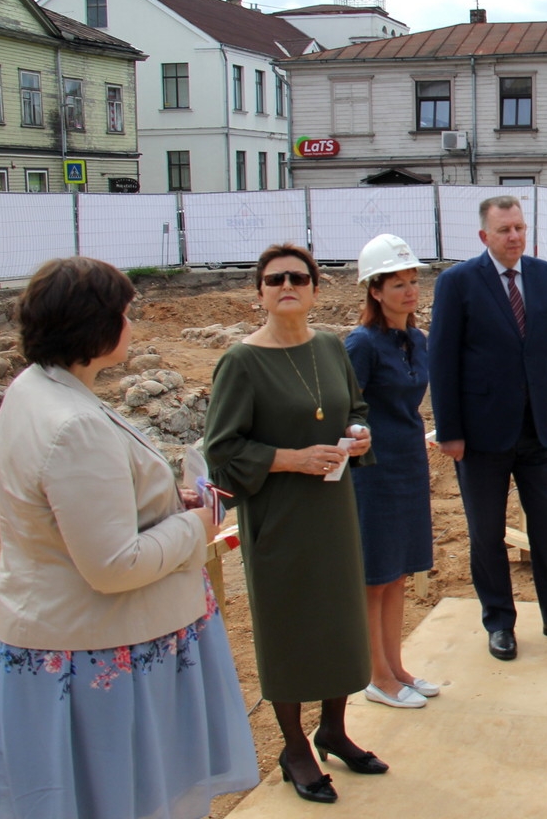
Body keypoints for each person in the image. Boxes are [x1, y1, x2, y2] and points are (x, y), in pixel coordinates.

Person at [0, 257, 258, 819]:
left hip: (63, 636)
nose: (133, 325)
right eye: (125, 314)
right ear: (95, 325)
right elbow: (112, 565)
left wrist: (161, 503)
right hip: (101, 649)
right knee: (127, 800)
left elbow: (79, 511)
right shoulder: (74, 424)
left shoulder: (34, 390)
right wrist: (197, 522)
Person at [205, 243, 380, 805]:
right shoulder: (240, 361)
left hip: (332, 510)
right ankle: (294, 747)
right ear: (259, 291)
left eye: (298, 278)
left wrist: (358, 435)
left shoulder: (330, 347)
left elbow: (353, 407)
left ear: (314, 289)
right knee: (289, 629)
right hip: (279, 516)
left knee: (337, 621)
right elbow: (223, 451)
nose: (287, 285)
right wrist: (291, 458)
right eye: (275, 278)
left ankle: (333, 729)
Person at [429, 195, 547, 663]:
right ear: (485, 236)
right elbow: (441, 362)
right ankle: (500, 622)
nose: (515, 237)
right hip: (481, 436)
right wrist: (450, 431)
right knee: (487, 533)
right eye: (505, 230)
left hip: (539, 430)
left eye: (520, 228)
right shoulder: (457, 283)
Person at [345, 234, 437, 709]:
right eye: (395, 282)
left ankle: (397, 666)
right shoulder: (361, 343)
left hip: (408, 463)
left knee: (399, 571)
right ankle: (377, 676)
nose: (408, 289)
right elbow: (348, 407)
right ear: (374, 291)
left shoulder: (415, 339)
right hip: (374, 471)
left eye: (412, 280)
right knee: (375, 574)